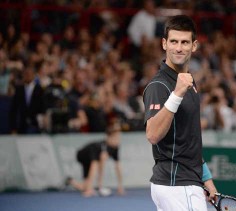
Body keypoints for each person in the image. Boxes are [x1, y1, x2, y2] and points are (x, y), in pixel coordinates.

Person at [143, 15, 217, 211]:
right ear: (164, 44)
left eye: (185, 42)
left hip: (187, 182)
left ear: (194, 46)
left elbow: (188, 139)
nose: (178, 47)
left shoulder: (189, 82)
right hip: (176, 185)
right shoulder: (159, 86)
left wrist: (206, 178)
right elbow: (152, 135)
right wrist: (176, 94)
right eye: (174, 41)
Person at [65, 115, 125, 197]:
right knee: (94, 167)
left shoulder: (115, 148)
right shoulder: (101, 146)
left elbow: (118, 167)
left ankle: (70, 181)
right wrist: (96, 187)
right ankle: (88, 188)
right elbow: (96, 166)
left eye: (119, 137)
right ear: (109, 138)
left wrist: (120, 186)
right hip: (83, 155)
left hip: (91, 159)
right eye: (116, 137)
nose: (118, 140)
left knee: (85, 186)